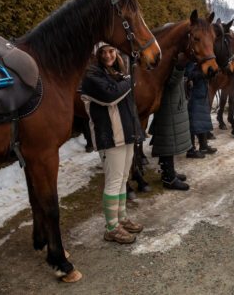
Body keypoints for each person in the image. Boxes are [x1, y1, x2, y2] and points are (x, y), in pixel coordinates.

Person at [80, 44, 144, 244]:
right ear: (96, 54)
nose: (108, 55)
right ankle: (111, 227)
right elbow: (111, 95)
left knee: (123, 177)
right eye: (103, 52)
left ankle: (121, 219)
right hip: (110, 136)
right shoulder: (91, 75)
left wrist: (126, 79)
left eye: (111, 51)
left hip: (125, 133)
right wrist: (129, 80)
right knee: (114, 181)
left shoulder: (118, 72)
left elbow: (125, 96)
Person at [149, 53, 191, 190]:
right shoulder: (164, 59)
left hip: (173, 102)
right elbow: (170, 83)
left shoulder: (171, 56)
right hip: (167, 103)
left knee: (170, 139)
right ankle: (169, 179)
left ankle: (168, 172)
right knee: (168, 140)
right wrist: (179, 68)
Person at [185, 62, 217, 158]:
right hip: (193, 95)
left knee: (203, 122)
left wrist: (210, 73)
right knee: (193, 124)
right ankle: (191, 149)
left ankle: (203, 146)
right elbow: (188, 74)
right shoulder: (190, 60)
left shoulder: (201, 59)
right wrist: (203, 72)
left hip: (202, 94)